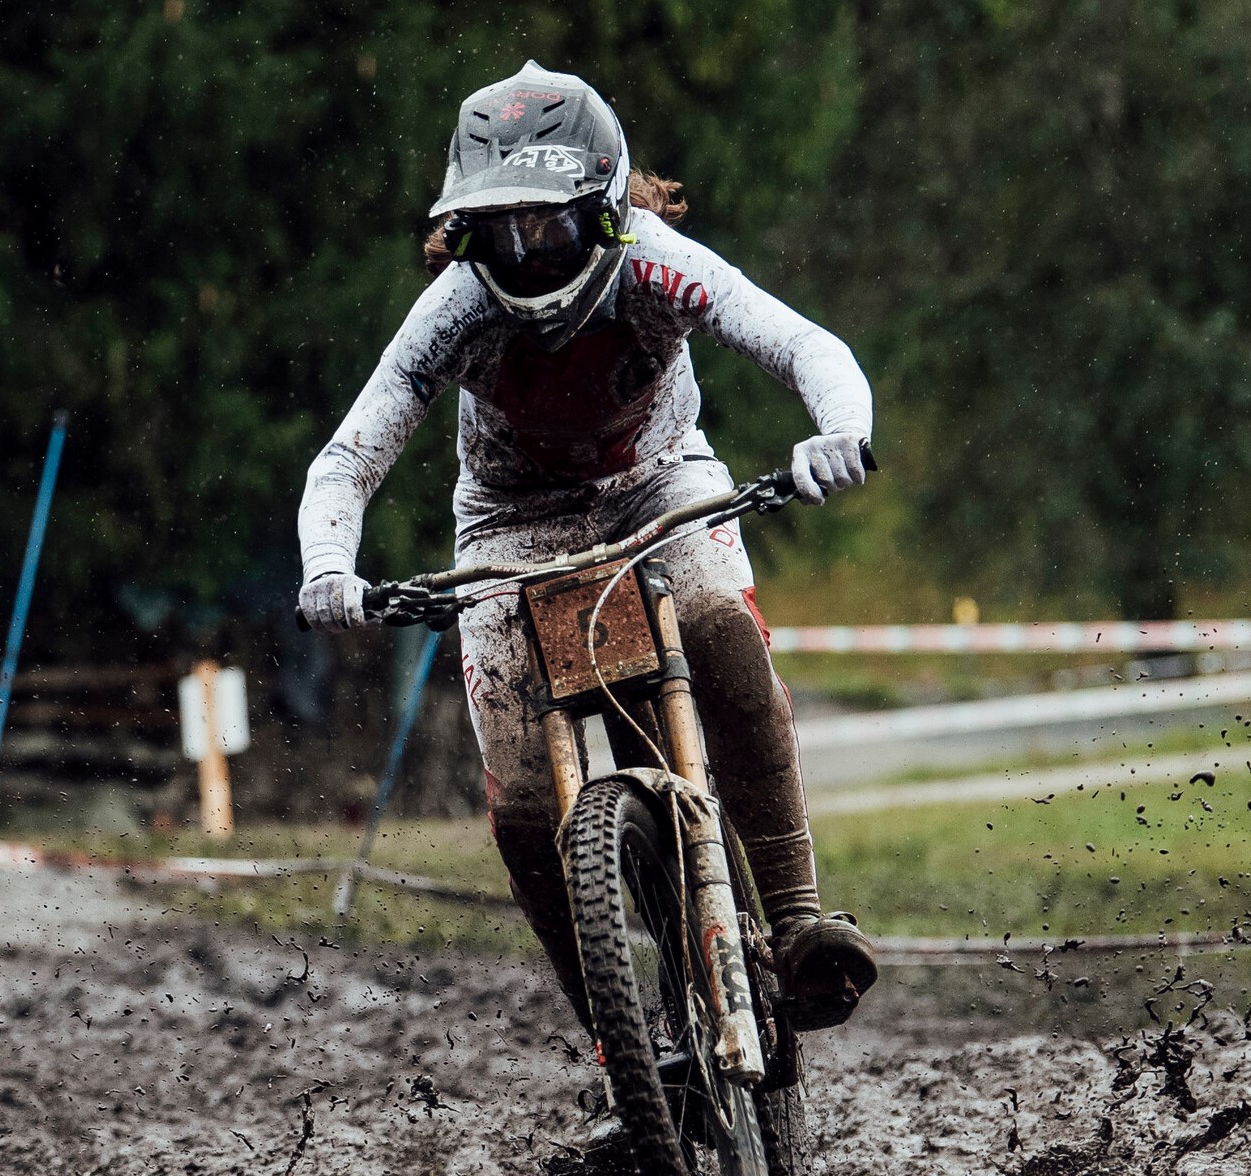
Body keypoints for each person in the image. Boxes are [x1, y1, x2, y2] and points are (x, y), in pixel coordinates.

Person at [294, 61, 879, 1032]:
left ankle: (797, 920)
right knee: (523, 805)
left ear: (603, 209)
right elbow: (346, 459)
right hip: (509, 523)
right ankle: (616, 1044)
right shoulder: (453, 308)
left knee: (721, 638)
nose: (525, 252)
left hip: (659, 483)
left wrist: (835, 430)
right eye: (499, 230)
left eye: (548, 224)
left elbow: (803, 346)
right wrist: (327, 568)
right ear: (463, 230)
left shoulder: (655, 261)